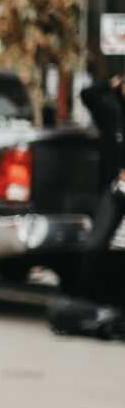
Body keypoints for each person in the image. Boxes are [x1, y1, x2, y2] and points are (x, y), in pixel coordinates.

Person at [76, 70, 125, 301]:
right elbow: (86, 94)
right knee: (95, 246)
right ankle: (89, 299)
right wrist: (110, 82)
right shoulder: (109, 108)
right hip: (114, 189)